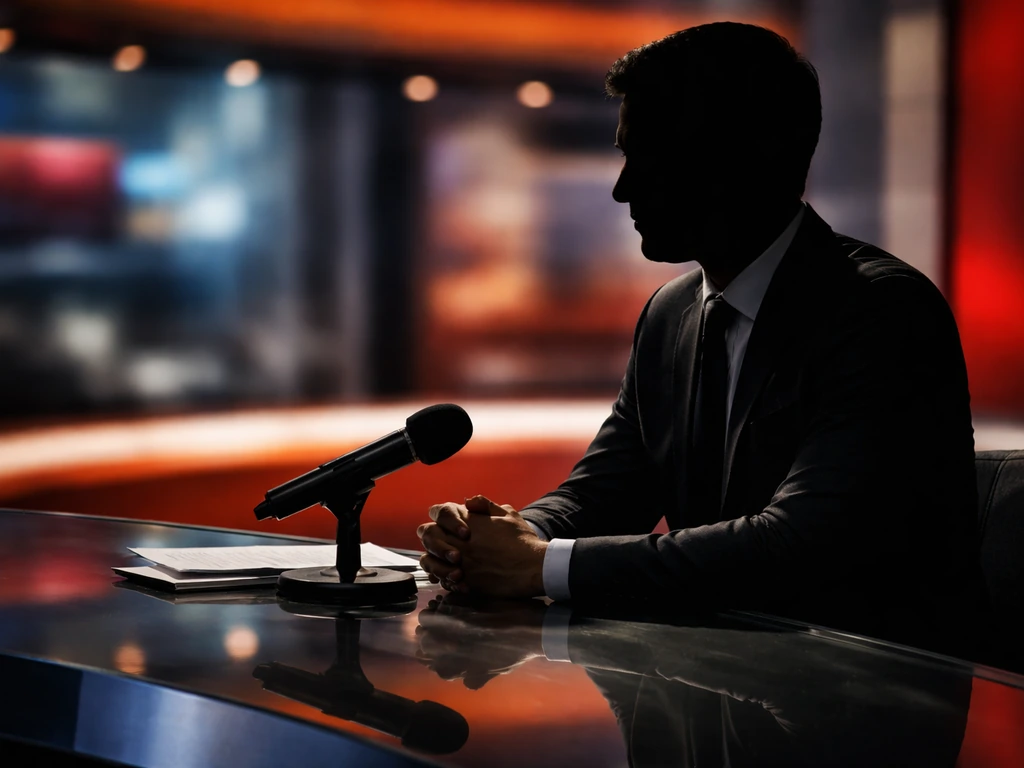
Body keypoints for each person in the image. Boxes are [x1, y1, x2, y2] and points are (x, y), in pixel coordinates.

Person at [416, 22, 986, 657]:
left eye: (648, 155)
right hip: (721, 683)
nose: (621, 187)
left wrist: (541, 564)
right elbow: (609, 489)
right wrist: (504, 536)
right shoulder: (672, 312)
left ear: (742, 158)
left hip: (865, 694)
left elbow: (800, 543)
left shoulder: (880, 311)